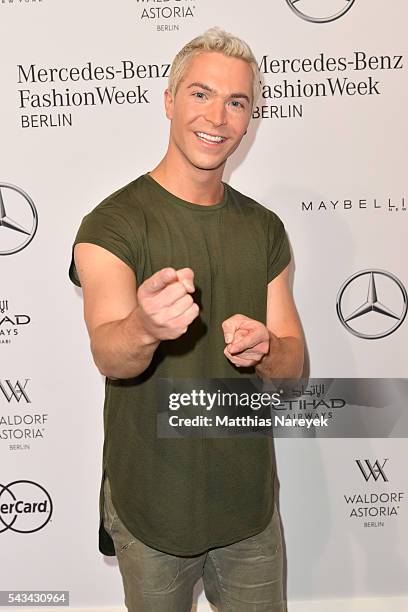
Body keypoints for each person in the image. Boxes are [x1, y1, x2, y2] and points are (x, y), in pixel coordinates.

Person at [69, 27, 304, 612]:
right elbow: (109, 353)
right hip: (150, 510)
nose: (218, 117)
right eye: (201, 94)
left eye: (237, 102)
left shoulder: (265, 229)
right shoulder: (112, 224)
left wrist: (267, 348)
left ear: (250, 119)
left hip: (248, 510)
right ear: (170, 101)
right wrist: (145, 328)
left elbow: (294, 370)